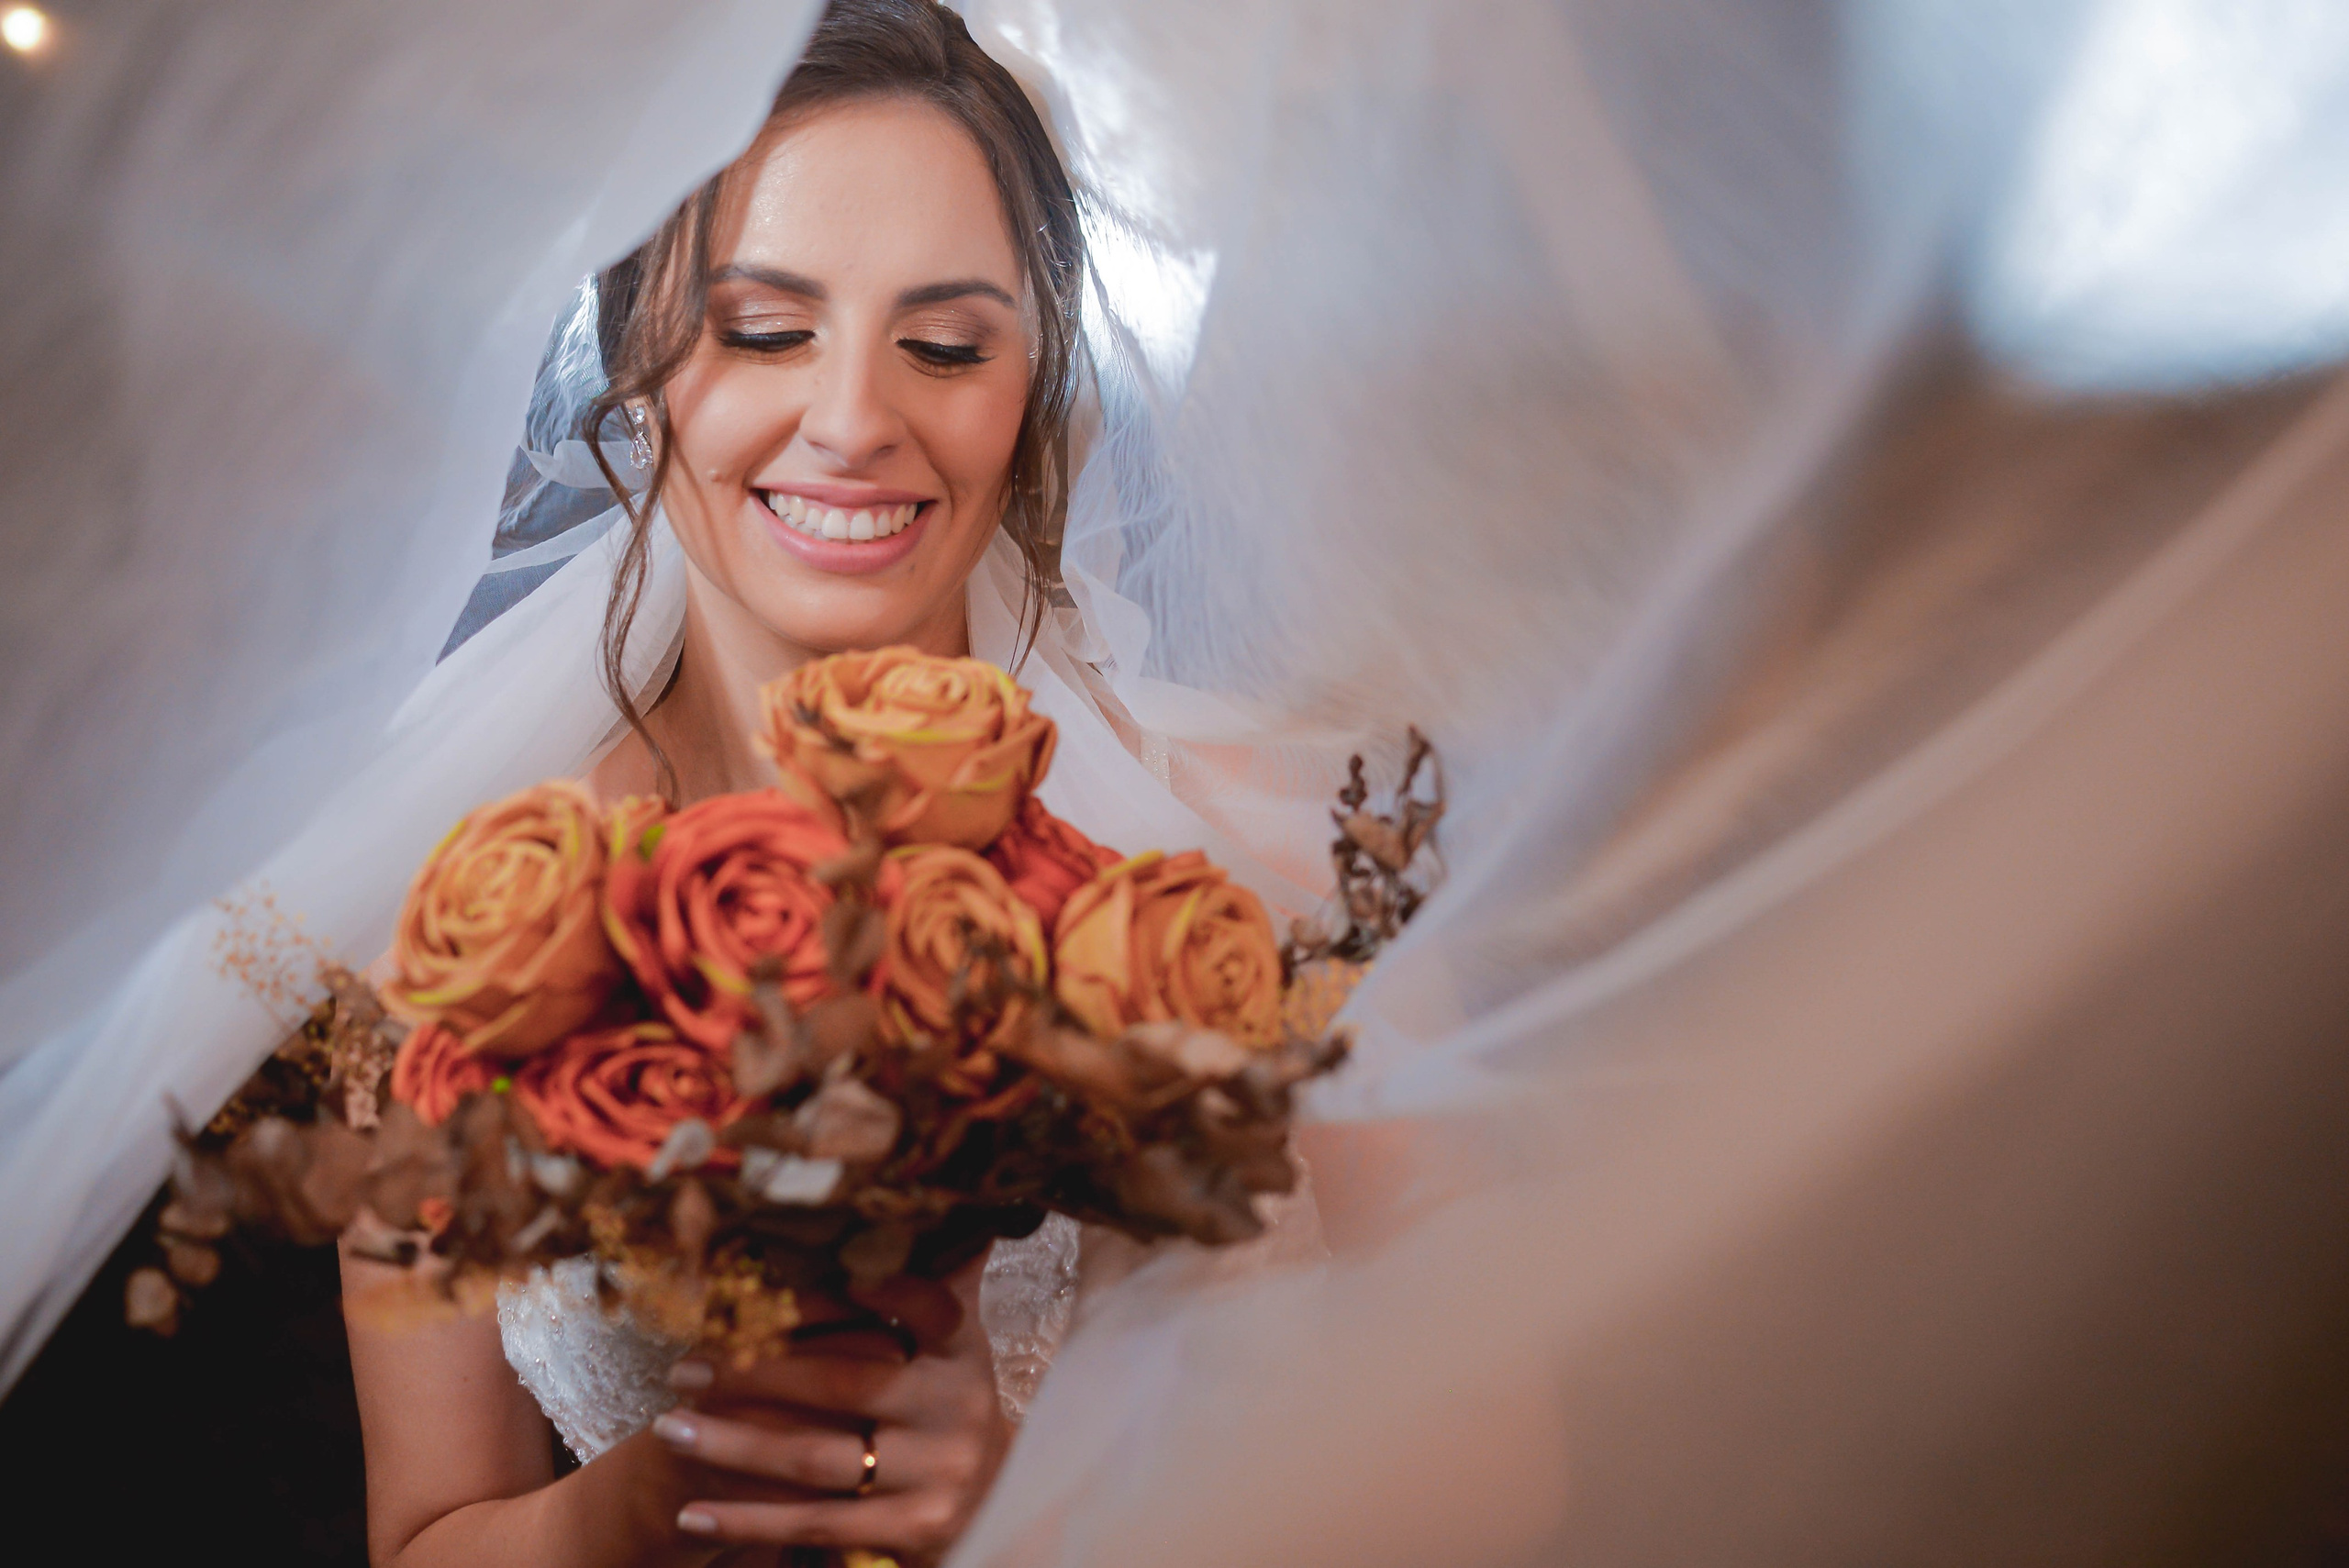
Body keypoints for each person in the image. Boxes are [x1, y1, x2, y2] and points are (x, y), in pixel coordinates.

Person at [346, 5, 1085, 1562]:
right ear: (638, 365)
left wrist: (1048, 1498)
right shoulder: (467, 929)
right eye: (763, 330)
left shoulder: (1239, 867)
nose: (854, 420)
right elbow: (422, 1537)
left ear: (1032, 389)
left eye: (945, 345)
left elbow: (1507, 1488)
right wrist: (652, 1500)